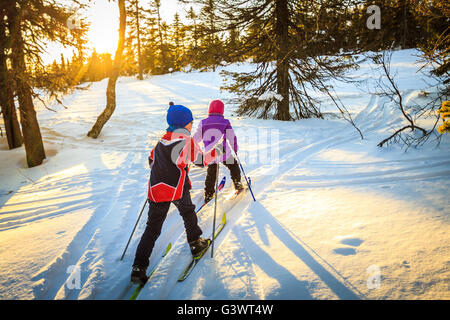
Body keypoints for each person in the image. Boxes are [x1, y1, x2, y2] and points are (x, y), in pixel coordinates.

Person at [131, 104, 218, 285]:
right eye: (190, 123)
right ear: (184, 124)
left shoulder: (161, 141)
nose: (192, 126)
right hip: (177, 188)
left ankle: (138, 267)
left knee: (152, 228)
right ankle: (195, 244)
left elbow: (150, 160)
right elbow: (201, 161)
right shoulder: (186, 141)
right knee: (187, 213)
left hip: (156, 189)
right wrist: (216, 153)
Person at [193, 99, 243, 204]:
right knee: (233, 166)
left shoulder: (203, 122)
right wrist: (235, 148)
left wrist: (191, 145)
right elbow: (231, 136)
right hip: (224, 152)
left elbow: (196, 138)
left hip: (210, 154)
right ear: (222, 111)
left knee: (211, 173)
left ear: (209, 110)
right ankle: (237, 183)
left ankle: (209, 194)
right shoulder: (225, 122)